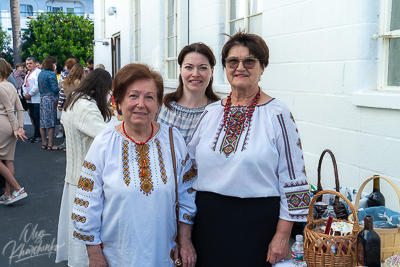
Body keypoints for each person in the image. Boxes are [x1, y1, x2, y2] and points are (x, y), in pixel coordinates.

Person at [187, 32, 311, 267]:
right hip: (208, 222)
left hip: (257, 224)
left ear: (262, 67)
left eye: (249, 61)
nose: (240, 67)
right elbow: (188, 166)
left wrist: (282, 236)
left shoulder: (278, 114)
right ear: (224, 67)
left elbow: (295, 179)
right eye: (233, 61)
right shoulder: (210, 112)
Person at [71, 63, 197, 267]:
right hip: (117, 257)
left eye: (149, 97)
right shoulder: (104, 143)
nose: (141, 104)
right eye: (133, 96)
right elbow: (86, 204)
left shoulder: (173, 140)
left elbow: (187, 193)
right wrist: (94, 255)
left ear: (157, 105)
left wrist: (185, 240)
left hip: (164, 255)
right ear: (118, 102)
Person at [55, 68, 112, 266]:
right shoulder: (85, 107)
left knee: (78, 232)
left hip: (74, 175)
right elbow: (106, 135)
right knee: (85, 235)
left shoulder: (74, 100)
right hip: (85, 179)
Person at [157, 43, 220, 143]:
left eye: (203, 68)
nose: (195, 74)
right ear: (180, 70)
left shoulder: (218, 112)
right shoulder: (161, 105)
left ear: (212, 72)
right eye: (189, 67)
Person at [0, 58, 28, 205]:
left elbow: (10, 111)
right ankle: (7, 194)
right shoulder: (11, 86)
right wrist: (19, 127)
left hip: (2, 125)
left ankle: (17, 189)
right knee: (8, 160)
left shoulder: (0, 88)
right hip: (11, 126)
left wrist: (16, 128)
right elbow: (20, 109)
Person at [37, 56, 61, 151]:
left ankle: (44, 143)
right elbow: (55, 89)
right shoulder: (51, 74)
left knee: (43, 122)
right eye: (54, 63)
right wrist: (60, 85)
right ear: (52, 64)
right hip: (51, 99)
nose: (55, 65)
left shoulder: (40, 73)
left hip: (42, 99)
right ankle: (51, 144)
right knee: (51, 123)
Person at [23, 57, 42, 142]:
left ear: (34, 63)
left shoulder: (38, 72)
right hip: (29, 99)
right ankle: (36, 134)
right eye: (27, 64)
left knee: (37, 117)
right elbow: (24, 85)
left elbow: (37, 85)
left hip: (36, 98)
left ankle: (39, 135)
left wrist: (30, 94)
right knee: (33, 117)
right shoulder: (28, 74)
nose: (29, 65)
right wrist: (25, 94)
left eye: (30, 63)